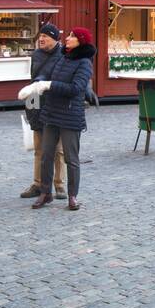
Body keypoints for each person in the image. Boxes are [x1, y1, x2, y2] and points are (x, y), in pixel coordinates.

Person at [24, 27, 96, 211]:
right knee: (46, 155)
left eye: (72, 36)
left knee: (71, 158)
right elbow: (47, 76)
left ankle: (72, 196)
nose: (68, 38)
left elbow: (76, 88)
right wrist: (37, 85)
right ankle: (45, 193)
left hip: (70, 115)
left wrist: (49, 85)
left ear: (81, 41)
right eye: (69, 35)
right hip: (51, 113)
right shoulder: (63, 57)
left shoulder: (84, 62)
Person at [20, 24, 67, 200]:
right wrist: (31, 112)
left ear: (55, 39)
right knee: (39, 148)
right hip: (37, 102)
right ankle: (38, 184)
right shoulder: (37, 55)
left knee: (58, 149)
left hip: (56, 105)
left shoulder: (64, 55)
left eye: (46, 36)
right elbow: (33, 80)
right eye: (40, 36)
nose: (41, 39)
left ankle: (59, 185)